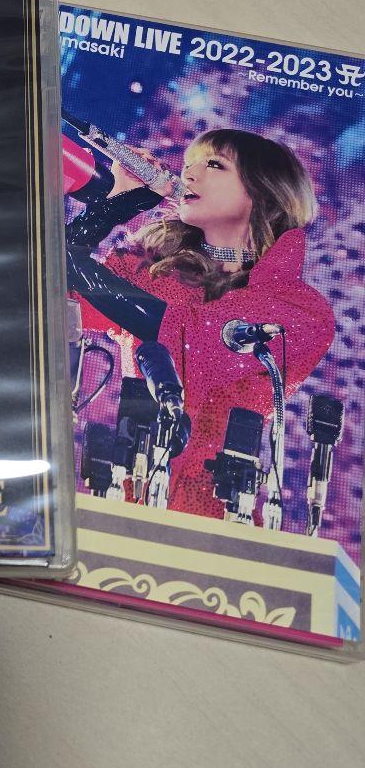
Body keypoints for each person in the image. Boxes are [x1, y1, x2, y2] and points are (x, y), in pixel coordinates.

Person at [67, 128, 335, 522]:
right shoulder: (154, 270)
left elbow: (185, 336)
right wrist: (117, 203)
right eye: (189, 164)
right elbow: (52, 289)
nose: (189, 174)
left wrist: (81, 251)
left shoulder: (301, 310)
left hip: (215, 515)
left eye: (214, 165)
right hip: (123, 494)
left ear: (263, 192)